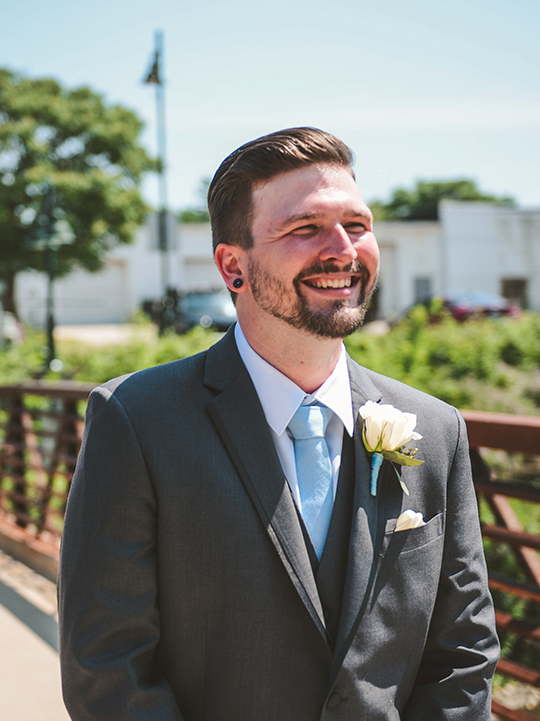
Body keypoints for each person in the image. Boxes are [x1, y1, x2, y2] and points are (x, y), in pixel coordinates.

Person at [58, 128, 498, 720]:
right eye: (305, 228)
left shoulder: (436, 428)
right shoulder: (136, 421)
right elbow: (106, 665)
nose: (343, 249)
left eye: (358, 225)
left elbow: (464, 650)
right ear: (233, 266)